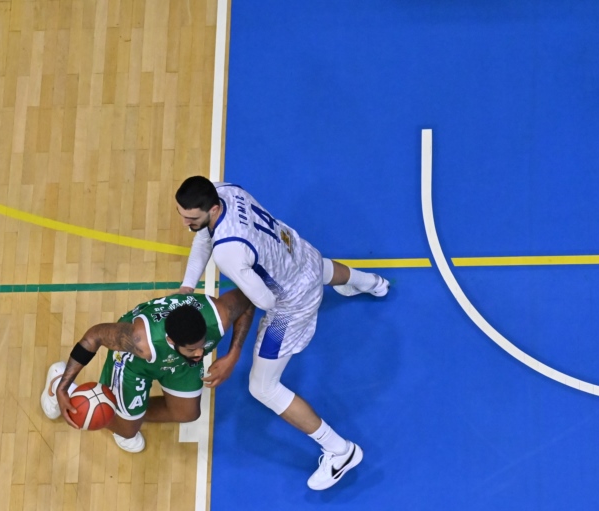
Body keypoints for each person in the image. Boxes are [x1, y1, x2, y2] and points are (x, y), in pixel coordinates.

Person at [174, 176, 389, 490]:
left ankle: (340, 451)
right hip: (298, 253)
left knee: (262, 387)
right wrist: (187, 286)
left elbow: (265, 301)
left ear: (213, 209)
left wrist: (231, 327)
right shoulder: (223, 189)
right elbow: (206, 235)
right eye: (181, 214)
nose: (184, 223)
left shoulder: (229, 252)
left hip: (290, 308)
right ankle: (373, 283)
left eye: (190, 218)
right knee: (321, 269)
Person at [40, 289, 255, 452]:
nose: (200, 353)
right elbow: (93, 336)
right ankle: (58, 380)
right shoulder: (140, 341)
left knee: (187, 413)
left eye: (202, 345)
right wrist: (63, 387)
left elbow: (248, 299)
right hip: (135, 365)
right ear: (171, 341)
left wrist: (233, 355)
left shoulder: (219, 315)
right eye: (192, 349)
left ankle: (128, 415)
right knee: (127, 430)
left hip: (180, 363)